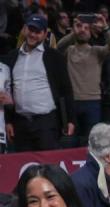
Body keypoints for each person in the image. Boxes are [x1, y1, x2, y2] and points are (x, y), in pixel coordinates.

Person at [6, 15, 76, 152]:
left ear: (44, 34)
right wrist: (8, 121)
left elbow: (66, 90)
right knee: (25, 168)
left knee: (48, 167)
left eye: (37, 32)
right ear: (25, 30)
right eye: (30, 30)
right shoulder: (12, 56)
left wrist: (71, 120)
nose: (32, 34)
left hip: (46, 122)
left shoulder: (54, 57)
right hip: (20, 124)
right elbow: (9, 91)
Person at [56, 13, 110, 141]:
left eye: (86, 28)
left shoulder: (96, 51)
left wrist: (105, 27)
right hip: (71, 101)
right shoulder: (69, 50)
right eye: (80, 27)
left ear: (91, 33)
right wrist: (74, 32)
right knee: (70, 140)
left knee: (92, 141)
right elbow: (59, 47)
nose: (82, 30)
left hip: (93, 102)